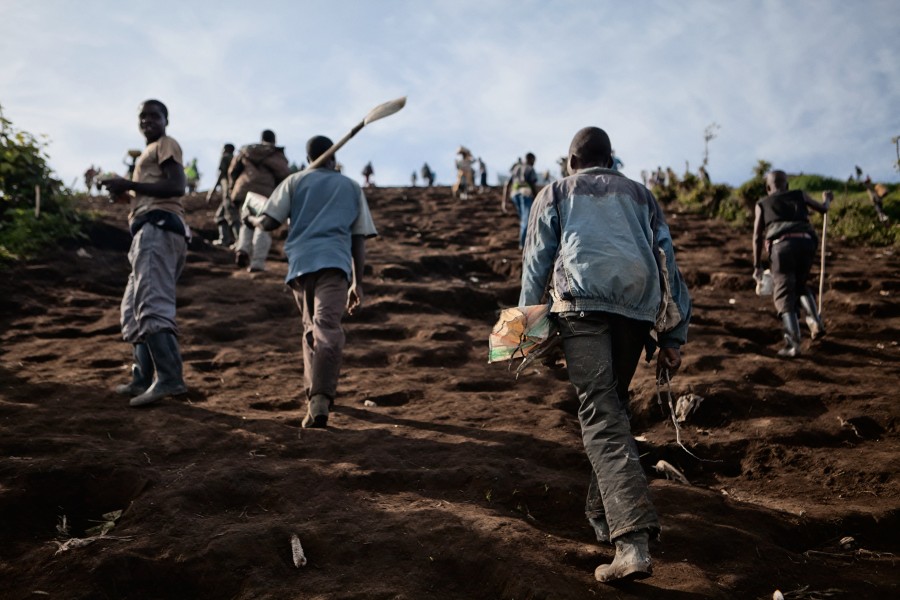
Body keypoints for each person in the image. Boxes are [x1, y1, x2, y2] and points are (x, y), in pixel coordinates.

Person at [518, 126, 691, 583]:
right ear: (611, 160)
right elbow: (666, 259)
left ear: (571, 161)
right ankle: (600, 515)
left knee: (598, 410)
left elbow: (537, 261)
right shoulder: (641, 195)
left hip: (582, 304)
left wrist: (527, 332)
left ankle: (631, 541)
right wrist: (673, 334)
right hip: (636, 308)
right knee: (610, 404)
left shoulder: (555, 191)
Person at [249, 135, 378, 428]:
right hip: (334, 264)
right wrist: (358, 282)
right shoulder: (350, 186)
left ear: (309, 158)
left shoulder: (293, 182)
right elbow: (359, 238)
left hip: (299, 267)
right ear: (333, 158)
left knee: (312, 329)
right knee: (326, 328)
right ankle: (319, 396)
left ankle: (316, 397)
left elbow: (269, 221)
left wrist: (253, 221)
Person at [100, 99, 191, 408]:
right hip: (147, 231)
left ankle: (170, 379)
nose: (148, 120)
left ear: (167, 119)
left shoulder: (165, 144)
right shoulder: (147, 156)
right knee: (132, 308)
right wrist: (127, 193)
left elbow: (177, 185)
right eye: (143, 116)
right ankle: (142, 378)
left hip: (159, 228)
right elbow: (152, 189)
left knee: (151, 302)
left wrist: (128, 182)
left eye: (155, 115)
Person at [752, 170, 831, 357]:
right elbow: (824, 208)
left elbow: (757, 236)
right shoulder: (799, 194)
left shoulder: (762, 203)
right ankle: (815, 322)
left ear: (768, 187)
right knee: (800, 284)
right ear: (786, 185)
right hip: (806, 243)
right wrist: (827, 199)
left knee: (784, 293)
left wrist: (757, 265)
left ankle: (793, 345)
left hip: (782, 247)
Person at [229, 130, 291, 272]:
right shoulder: (276, 154)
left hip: (244, 190)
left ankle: (243, 249)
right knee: (262, 226)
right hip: (265, 192)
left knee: (246, 221)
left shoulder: (246, 150)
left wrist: (233, 188)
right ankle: (257, 262)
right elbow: (284, 174)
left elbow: (233, 171)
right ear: (274, 140)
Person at [501, 152, 538, 248]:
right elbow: (532, 184)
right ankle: (524, 245)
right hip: (525, 194)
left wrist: (504, 201)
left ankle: (523, 243)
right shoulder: (530, 168)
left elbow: (507, 184)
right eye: (534, 160)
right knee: (527, 220)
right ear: (530, 159)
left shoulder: (516, 168)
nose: (534, 163)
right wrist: (537, 198)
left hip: (514, 194)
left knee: (523, 218)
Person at [208, 143, 237, 247]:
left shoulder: (225, 158)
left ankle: (239, 242)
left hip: (228, 191)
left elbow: (221, 174)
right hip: (236, 191)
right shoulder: (235, 158)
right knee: (220, 215)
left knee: (232, 216)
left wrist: (212, 192)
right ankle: (224, 239)